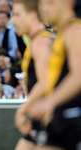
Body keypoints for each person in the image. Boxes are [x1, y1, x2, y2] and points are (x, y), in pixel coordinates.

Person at [27, 0, 81, 149]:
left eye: (50, 2)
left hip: (71, 115)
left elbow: (78, 76)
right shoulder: (62, 33)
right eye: (42, 3)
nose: (43, 8)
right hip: (61, 114)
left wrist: (49, 103)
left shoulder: (75, 31)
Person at [11, 0, 53, 149]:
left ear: (33, 15)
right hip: (40, 115)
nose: (13, 20)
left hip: (50, 117)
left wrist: (23, 109)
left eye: (17, 14)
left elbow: (47, 81)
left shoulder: (41, 42)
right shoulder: (37, 41)